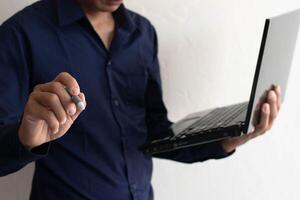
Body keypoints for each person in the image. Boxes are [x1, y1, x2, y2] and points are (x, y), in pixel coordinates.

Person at [0, 0, 281, 199]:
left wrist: (231, 137)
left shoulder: (143, 33)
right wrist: (26, 139)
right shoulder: (20, 33)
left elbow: (156, 135)